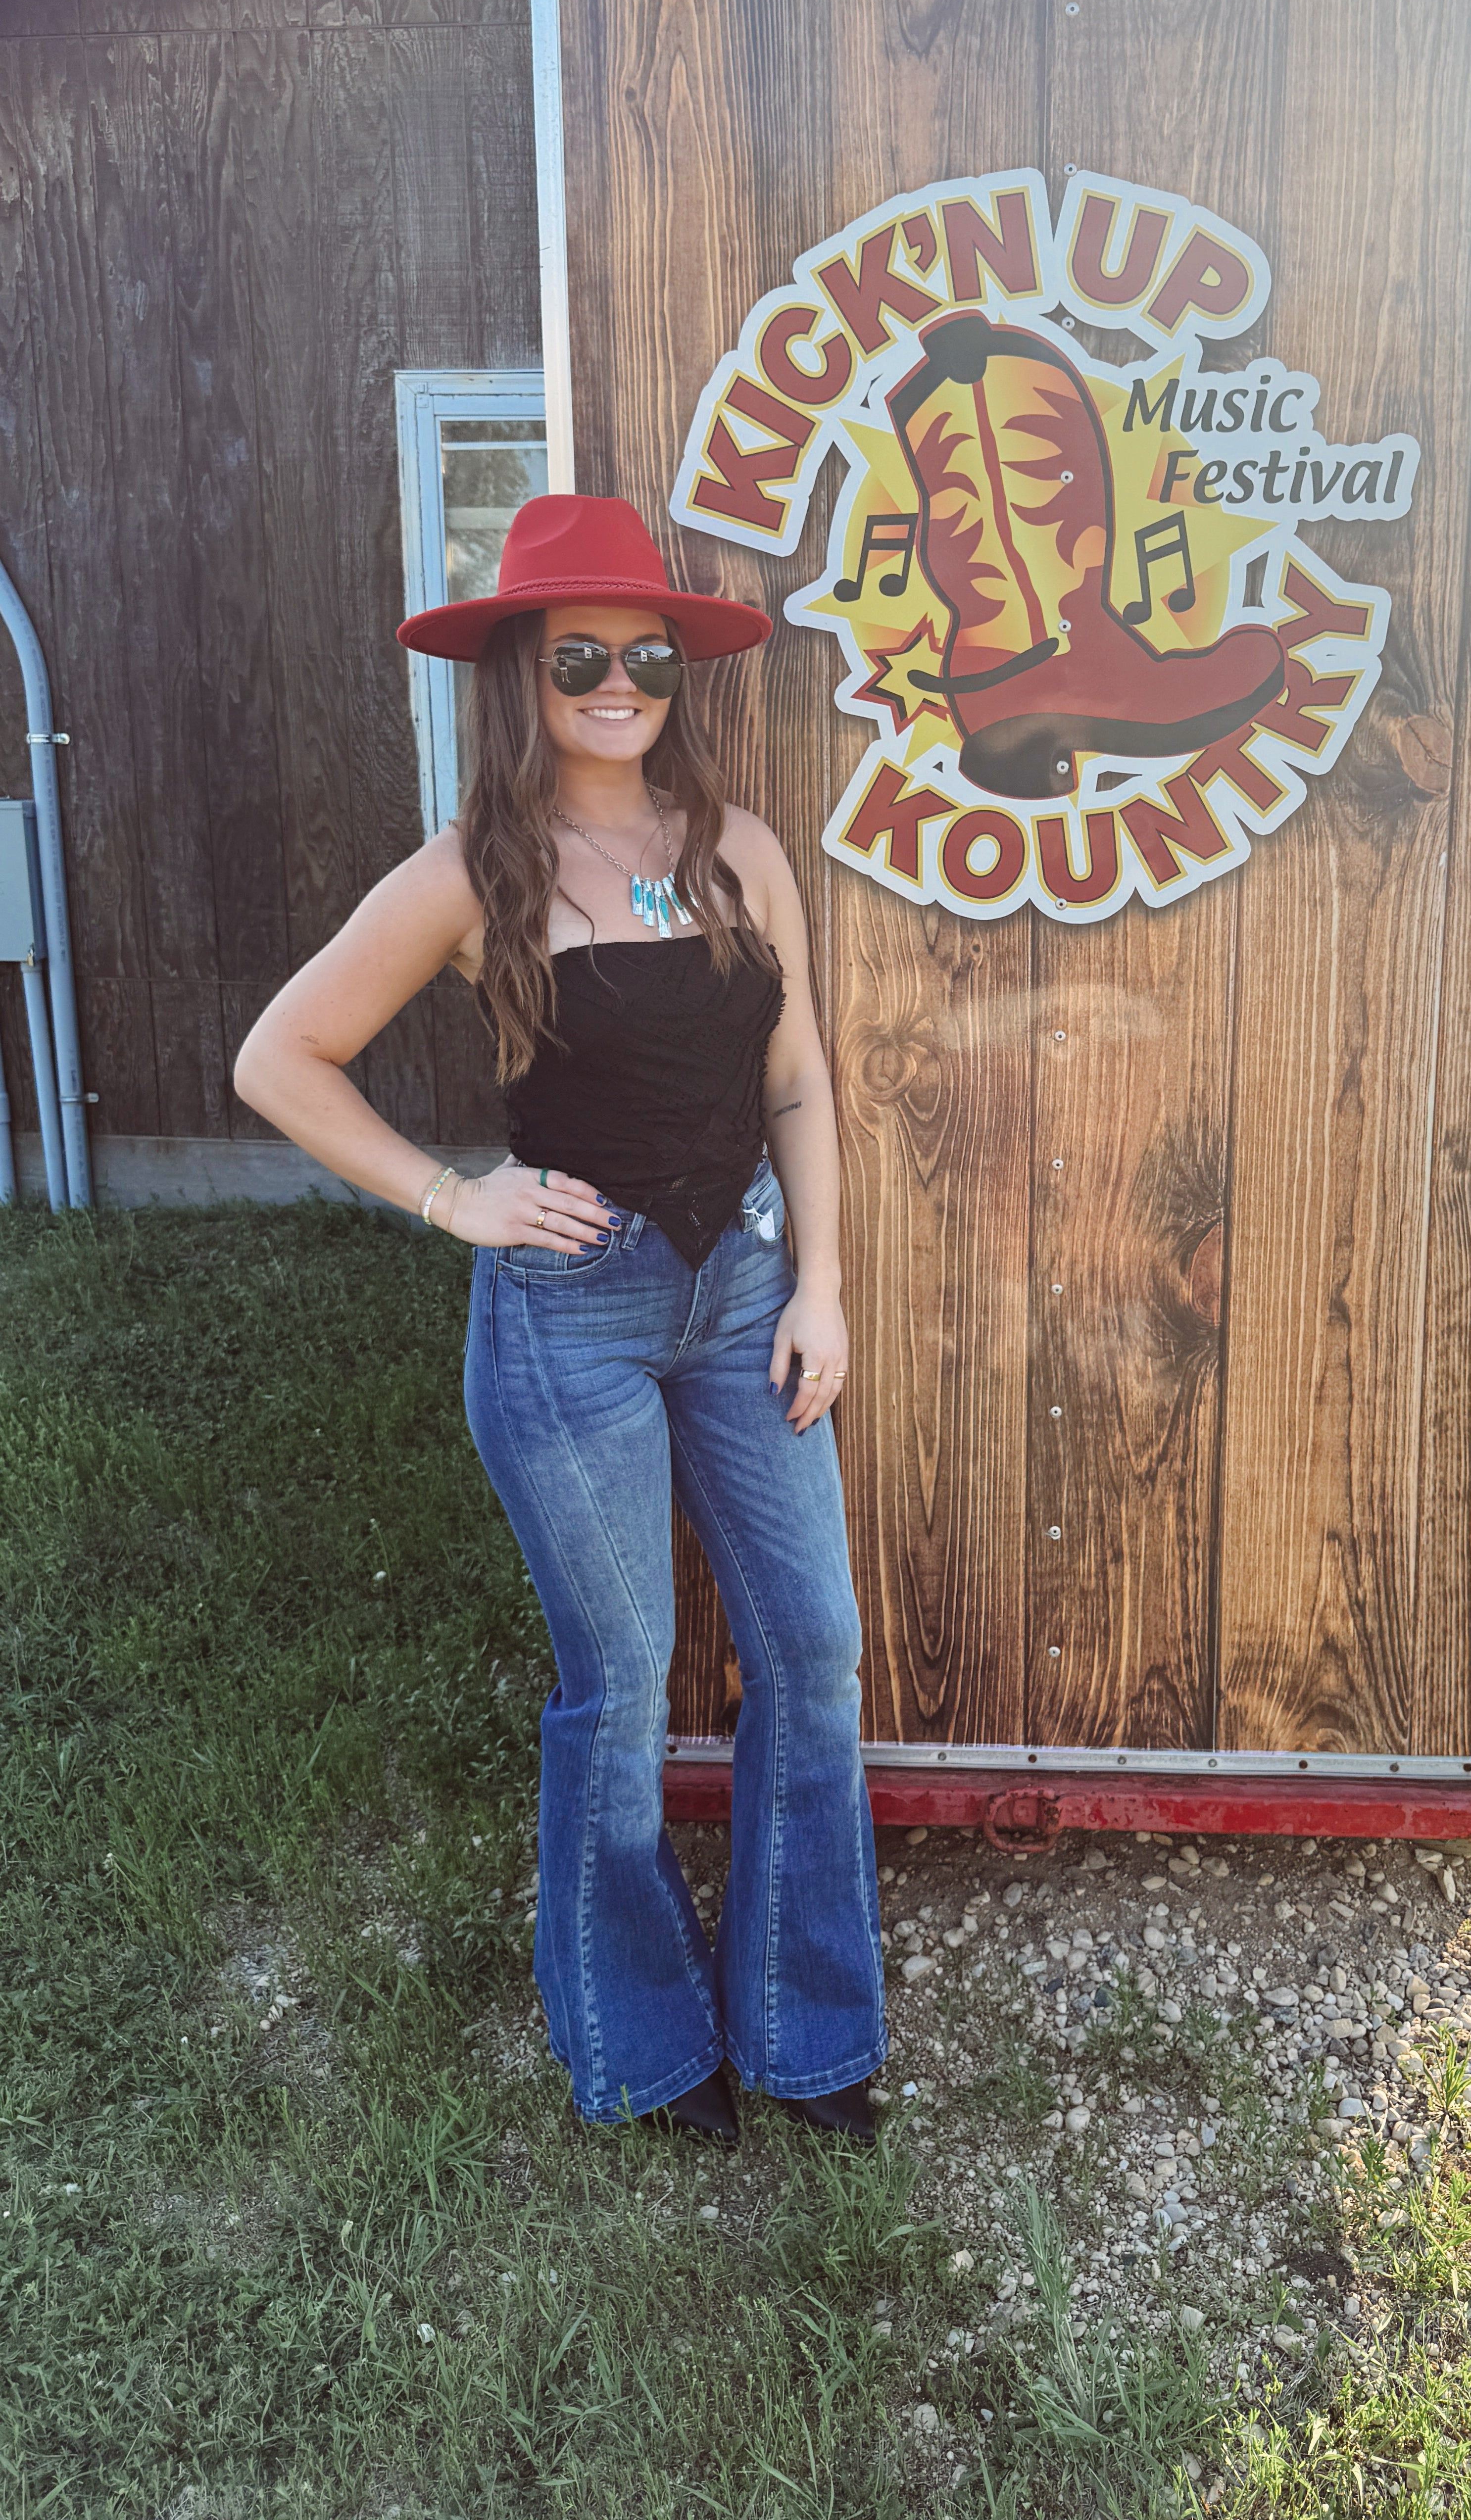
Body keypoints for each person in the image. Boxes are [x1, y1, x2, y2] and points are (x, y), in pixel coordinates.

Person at [234, 494, 885, 2148]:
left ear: (678, 669)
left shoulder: (738, 847)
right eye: (577, 654)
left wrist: (820, 1283)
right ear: (524, 672)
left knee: (811, 1654)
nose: (616, 683)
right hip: (569, 1316)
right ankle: (646, 2046)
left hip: (745, 1293)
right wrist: (457, 1198)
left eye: (644, 655)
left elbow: (796, 1080)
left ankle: (809, 2040)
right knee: (620, 1675)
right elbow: (279, 1061)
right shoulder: (468, 875)